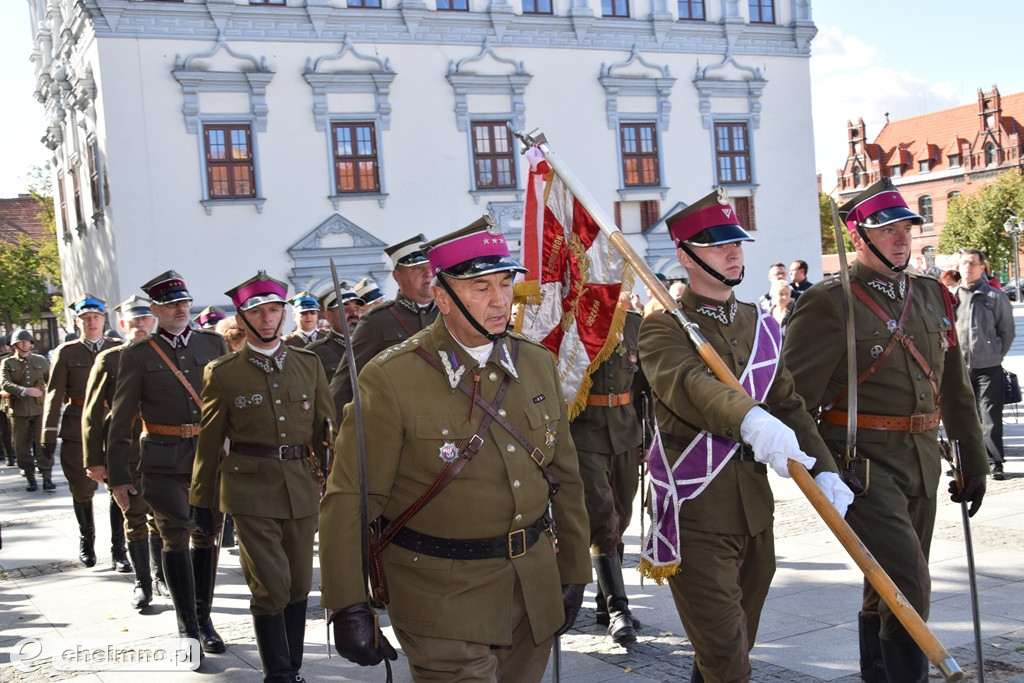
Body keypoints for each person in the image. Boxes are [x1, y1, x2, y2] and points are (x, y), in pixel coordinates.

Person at [320, 217, 591, 681]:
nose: (500, 300)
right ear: (442, 297)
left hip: (531, 588)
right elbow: (350, 499)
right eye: (480, 287)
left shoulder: (536, 362)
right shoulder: (391, 377)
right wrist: (347, 604)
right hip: (439, 593)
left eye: (505, 283)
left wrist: (573, 570)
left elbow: (563, 475)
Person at [638, 188, 852, 683]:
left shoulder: (760, 325)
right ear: (685, 255)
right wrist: (752, 420)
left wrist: (823, 469)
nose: (734, 252)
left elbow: (789, 406)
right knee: (727, 660)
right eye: (717, 245)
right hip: (696, 511)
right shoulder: (664, 329)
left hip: (755, 514)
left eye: (737, 241)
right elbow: (691, 386)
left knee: (732, 648)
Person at [784, 178, 988, 682]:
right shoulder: (831, 302)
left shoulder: (930, 296)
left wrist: (975, 458)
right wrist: (827, 473)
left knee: (886, 584)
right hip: (862, 467)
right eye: (887, 229)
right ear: (858, 237)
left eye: (906, 228)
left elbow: (955, 387)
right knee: (909, 580)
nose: (902, 238)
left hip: (922, 458)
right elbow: (789, 403)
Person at [191, 271, 334, 683]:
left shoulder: (308, 365)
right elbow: (210, 441)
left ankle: (293, 667)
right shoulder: (223, 373)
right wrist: (201, 501)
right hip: (249, 489)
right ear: (243, 318)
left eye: (275, 310)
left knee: (299, 585)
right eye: (259, 311)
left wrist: (338, 480)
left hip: (302, 485)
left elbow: (327, 429)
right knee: (270, 585)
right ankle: (278, 674)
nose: (269, 319)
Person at [107, 270, 228, 655]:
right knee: (176, 532)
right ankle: (187, 624)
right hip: (161, 459)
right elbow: (121, 417)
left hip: (208, 458)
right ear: (155, 310)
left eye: (184, 302)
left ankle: (205, 617)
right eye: (171, 304)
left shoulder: (213, 345)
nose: (180, 309)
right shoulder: (137, 355)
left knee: (208, 533)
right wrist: (119, 476)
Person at [570, 297, 647, 644]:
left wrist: (648, 436)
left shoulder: (635, 322)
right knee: (604, 519)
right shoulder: (573, 319)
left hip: (627, 431)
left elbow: (645, 384)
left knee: (623, 516)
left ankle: (603, 602)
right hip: (585, 431)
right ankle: (619, 610)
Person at [83, 295, 166, 608]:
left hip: (161, 450)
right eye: (134, 322)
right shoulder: (110, 358)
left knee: (161, 518)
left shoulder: (164, 354)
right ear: (122, 325)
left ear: (153, 320)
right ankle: (142, 582)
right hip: (126, 451)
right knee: (133, 518)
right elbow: (91, 414)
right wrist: (94, 461)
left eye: (145, 320)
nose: (141, 327)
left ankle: (161, 576)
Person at [43, 294, 128, 570]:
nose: (92, 322)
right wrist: (47, 432)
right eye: (86, 318)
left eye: (96, 317)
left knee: (120, 487)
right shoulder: (66, 352)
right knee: (82, 489)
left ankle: (120, 548)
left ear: (105, 319)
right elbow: (54, 394)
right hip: (77, 426)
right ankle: (87, 541)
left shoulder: (120, 348)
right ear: (78, 321)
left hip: (114, 425)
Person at [329, 234, 439, 417]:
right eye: (417, 268)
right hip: (399, 427)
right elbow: (345, 384)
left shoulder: (451, 313)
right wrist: (343, 438)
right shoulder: (377, 321)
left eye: (430, 267)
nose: (428, 273)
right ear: (397, 276)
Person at [955, 249, 1015, 481]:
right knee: (961, 416)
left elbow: (1007, 332)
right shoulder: (950, 297)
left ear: (982, 267)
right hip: (958, 368)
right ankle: (964, 463)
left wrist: (995, 355)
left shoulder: (994, 297)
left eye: (972, 263)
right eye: (963, 263)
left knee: (990, 416)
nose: (967, 267)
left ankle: (995, 462)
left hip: (988, 368)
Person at [1, 330, 51, 492]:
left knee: (43, 444)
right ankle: (30, 477)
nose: (24, 344)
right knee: (21, 447)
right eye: (20, 342)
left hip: (39, 409)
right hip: (19, 410)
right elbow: (5, 383)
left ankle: (47, 477)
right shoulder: (8, 363)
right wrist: (24, 390)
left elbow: (51, 381)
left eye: (27, 342)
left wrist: (44, 392)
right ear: (14, 345)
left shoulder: (41, 360)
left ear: (31, 343)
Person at [307, 287, 365, 380]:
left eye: (357, 308)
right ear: (328, 316)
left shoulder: (372, 344)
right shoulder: (315, 353)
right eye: (345, 309)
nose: (353, 312)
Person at [0, 335, 17, 467]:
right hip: (3, 399)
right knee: (5, 430)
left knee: (12, 429)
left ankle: (11, 454)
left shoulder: (13, 359)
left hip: (13, 398)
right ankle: (9, 455)